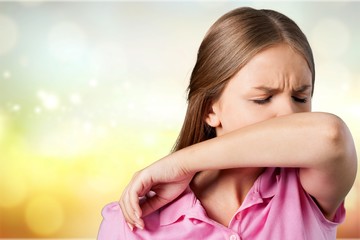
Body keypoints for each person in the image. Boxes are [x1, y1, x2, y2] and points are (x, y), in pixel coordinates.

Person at [98, 6, 357, 240]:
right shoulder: (131, 223)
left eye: (301, 97)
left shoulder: (309, 187)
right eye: (263, 99)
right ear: (211, 109)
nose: (290, 114)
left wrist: (180, 163)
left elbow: (330, 136)